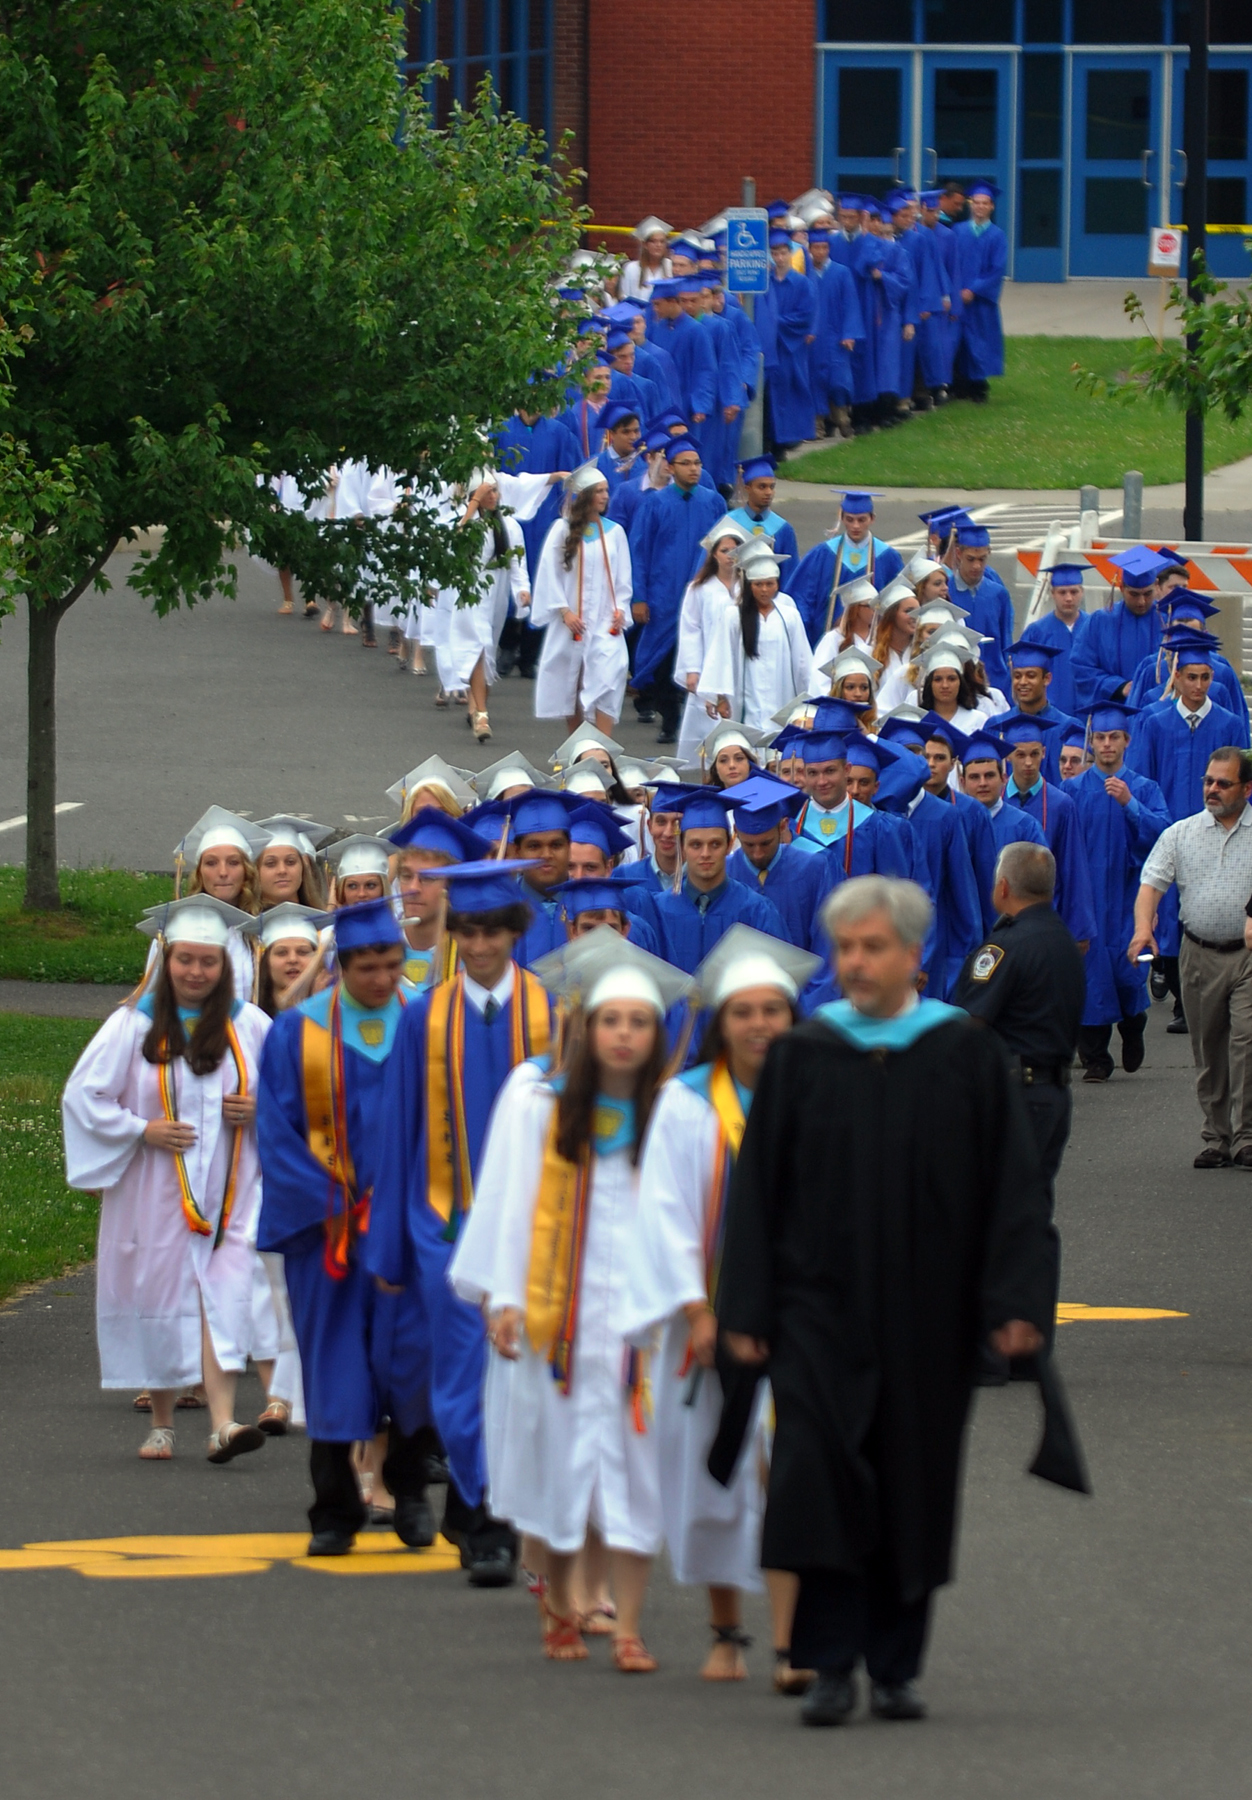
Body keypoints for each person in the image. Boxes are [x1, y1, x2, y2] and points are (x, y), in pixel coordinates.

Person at [716, 876, 1055, 1726]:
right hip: (815, 1315)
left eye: (872, 948)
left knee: (914, 1481)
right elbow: (759, 1193)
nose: (856, 964)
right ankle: (829, 1662)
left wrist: (1015, 1300)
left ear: (914, 953)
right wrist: (747, 1313)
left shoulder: (963, 1052)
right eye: (845, 949)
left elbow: (1012, 1189)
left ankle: (897, 1663)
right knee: (818, 1483)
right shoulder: (806, 1052)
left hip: (929, 1317)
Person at [449, 932, 692, 1670]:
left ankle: (617, 1616)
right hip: (556, 1314)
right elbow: (505, 1202)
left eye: (638, 1022)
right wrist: (500, 1295)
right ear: (585, 1029)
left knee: (625, 1460)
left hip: (638, 1322)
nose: (622, 1035)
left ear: (657, 1034)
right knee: (564, 1457)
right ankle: (563, 1595)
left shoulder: (674, 1111)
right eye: (609, 1021)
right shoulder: (537, 1104)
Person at [623, 927, 820, 1682]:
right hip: (706, 1323)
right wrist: (696, 1313)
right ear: (719, 1020)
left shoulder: (816, 1090)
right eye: (744, 1011)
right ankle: (726, 1630)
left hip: (799, 1320)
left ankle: (792, 1642)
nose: (761, 1024)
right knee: (716, 1477)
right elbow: (665, 1213)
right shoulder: (682, 1104)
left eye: (774, 1009)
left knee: (788, 1475)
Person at [364, 862, 554, 1579]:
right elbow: (398, 1131)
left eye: (494, 932)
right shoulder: (424, 1016)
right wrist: (389, 1244)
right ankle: (481, 1517)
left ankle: (492, 1517)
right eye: (468, 931)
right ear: (454, 933)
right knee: (459, 1374)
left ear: (515, 933)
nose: (480, 946)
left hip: (530, 1225)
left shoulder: (552, 1013)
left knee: (514, 1373)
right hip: (439, 1220)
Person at [63, 896, 271, 1464]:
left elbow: (293, 1095)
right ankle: (161, 1422)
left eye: (208, 961)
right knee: (157, 1294)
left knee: (221, 1298)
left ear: (224, 966)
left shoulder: (249, 1024)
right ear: (165, 958)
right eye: (185, 959)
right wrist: (140, 1129)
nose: (196, 972)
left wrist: (260, 1112)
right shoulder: (131, 1024)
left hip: (232, 1187)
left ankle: (223, 1424)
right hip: (154, 1191)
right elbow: (84, 1096)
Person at [952, 843, 1084, 1354]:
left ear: (1002, 887)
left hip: (1011, 1096)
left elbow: (971, 1020)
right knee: (1031, 1219)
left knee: (990, 1218)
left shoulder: (1004, 947)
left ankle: (990, 1350)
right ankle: (1031, 1343)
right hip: (1051, 1093)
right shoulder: (1060, 940)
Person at [1130, 747, 1252, 1168]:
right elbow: (1151, 884)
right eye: (1208, 781)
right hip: (1198, 954)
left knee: (1247, 1042)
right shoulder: (1180, 833)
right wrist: (1143, 927)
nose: (1212, 789)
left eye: (1223, 783)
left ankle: (1246, 1136)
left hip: (1248, 957)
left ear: (1247, 789)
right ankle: (1217, 1137)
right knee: (1209, 1049)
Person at [1125, 630, 1250, 1032]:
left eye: (1205, 677)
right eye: (1190, 677)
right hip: (1170, 828)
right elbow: (1143, 780)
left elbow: (1245, 781)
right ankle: (1172, 977)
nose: (1198, 685)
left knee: (1207, 903)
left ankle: (1185, 1003)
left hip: (1221, 830)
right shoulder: (1155, 723)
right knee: (1167, 906)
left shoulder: (1229, 724)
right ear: (1175, 677)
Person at [1068, 704, 1171, 1082]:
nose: (1107, 744)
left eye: (1114, 737)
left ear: (1127, 741)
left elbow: (1163, 838)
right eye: (1100, 737)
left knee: (1128, 974)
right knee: (1090, 977)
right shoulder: (1073, 790)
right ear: (1091, 742)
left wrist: (1130, 803)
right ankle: (1095, 1058)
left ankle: (1133, 1025)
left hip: (1128, 897)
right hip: (1087, 899)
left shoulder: (1144, 788)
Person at [629, 437, 726, 744]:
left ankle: (688, 715)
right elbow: (639, 552)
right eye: (686, 464)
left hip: (702, 591)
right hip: (664, 595)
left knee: (698, 656)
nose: (694, 469)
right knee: (663, 659)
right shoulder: (655, 504)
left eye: (697, 463)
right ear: (670, 468)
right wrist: (639, 596)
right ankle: (669, 717)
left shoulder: (713, 502)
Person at [531, 463, 631, 734]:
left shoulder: (615, 532)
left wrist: (621, 609)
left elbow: (623, 580)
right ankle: (577, 746)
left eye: (606, 490)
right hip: (572, 621)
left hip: (604, 620)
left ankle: (602, 749)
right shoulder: (561, 530)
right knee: (571, 679)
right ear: (585, 495)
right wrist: (564, 611)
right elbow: (548, 574)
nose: (605, 496)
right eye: (598, 491)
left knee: (608, 675)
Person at [432, 473, 529, 743]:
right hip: (469, 588)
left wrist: (523, 590)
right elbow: (453, 547)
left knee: (489, 646)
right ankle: (482, 714)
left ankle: (476, 706)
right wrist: (472, 506)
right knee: (479, 643)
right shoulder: (463, 522)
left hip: (495, 588)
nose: (493, 496)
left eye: (495, 491)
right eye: (487, 492)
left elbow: (516, 562)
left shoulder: (508, 525)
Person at [648, 786, 787, 973]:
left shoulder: (757, 910)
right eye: (696, 845)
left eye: (715, 844)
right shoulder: (657, 910)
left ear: (729, 845)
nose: (705, 854)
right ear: (682, 846)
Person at [998, 712, 1098, 951]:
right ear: (1008, 756)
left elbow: (1072, 868)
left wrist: (1078, 930)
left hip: (1046, 919)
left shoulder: (1060, 804)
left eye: (1034, 754)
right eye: (1020, 755)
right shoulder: (996, 801)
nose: (1029, 763)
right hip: (1000, 919)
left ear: (1044, 752)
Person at [698, 543, 813, 735]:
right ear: (749, 585)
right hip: (747, 695)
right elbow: (721, 655)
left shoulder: (789, 616)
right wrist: (720, 697)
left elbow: (802, 660)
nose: (764, 590)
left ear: (777, 584)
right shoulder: (734, 615)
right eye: (758, 584)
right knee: (750, 737)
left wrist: (809, 699)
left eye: (770, 584)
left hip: (781, 693)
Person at [725, 774, 836, 951]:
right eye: (749, 844)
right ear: (736, 831)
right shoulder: (725, 872)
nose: (758, 853)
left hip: (803, 978)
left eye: (766, 843)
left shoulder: (813, 868)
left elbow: (826, 940)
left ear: (783, 826)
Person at [675, 517, 751, 763]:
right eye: (724, 550)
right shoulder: (700, 589)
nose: (730, 556)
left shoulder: (749, 588)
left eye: (735, 550)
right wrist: (692, 670)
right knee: (707, 732)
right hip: (710, 665)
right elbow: (690, 630)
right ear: (714, 554)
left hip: (741, 666)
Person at [788, 491, 904, 646]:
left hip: (872, 642)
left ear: (872, 519)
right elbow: (802, 597)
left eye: (861, 520)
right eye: (850, 520)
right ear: (841, 518)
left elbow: (897, 602)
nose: (855, 526)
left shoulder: (887, 557)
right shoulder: (823, 553)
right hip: (827, 640)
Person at [1072, 547, 1167, 709]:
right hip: (1114, 714)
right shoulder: (1101, 621)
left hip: (1159, 712)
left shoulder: (1168, 620)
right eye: (1134, 594)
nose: (1141, 602)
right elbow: (1081, 667)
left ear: (1157, 586)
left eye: (1148, 594)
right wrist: (1118, 686)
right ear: (1122, 588)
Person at [757, 230, 816, 451]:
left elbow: (805, 315)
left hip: (790, 347)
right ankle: (771, 439)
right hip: (769, 345)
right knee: (770, 392)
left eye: (783, 253)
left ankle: (789, 437)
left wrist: (775, 322)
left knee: (791, 389)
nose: (779, 258)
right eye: (775, 253)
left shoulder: (801, 283)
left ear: (790, 253)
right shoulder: (765, 283)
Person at [951, 180, 1006, 403]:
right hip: (958, 297)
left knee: (980, 341)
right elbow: (950, 263)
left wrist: (973, 290)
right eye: (976, 202)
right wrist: (956, 291)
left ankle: (979, 387)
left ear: (991, 206)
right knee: (959, 340)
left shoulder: (997, 236)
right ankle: (960, 384)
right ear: (970, 204)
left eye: (985, 203)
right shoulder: (958, 231)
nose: (980, 207)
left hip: (980, 301)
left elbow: (997, 269)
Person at [946, 522, 1012, 694]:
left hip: (993, 677)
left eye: (982, 559)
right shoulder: (946, 591)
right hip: (956, 678)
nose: (977, 566)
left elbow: (1006, 640)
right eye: (971, 559)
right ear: (959, 553)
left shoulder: (998, 594)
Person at [1019, 563, 1091, 717]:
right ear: (1053, 593)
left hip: (1089, 713)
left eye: (1074, 592)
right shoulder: (1037, 632)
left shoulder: (1094, 627)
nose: (1069, 598)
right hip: (1050, 716)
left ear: (1082, 592)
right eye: (1062, 592)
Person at [1004, 640, 1077, 786]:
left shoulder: (1069, 727)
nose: (1023, 682)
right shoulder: (998, 725)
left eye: (1031, 675)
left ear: (1047, 679)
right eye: (1017, 676)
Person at [726, 455, 800, 564]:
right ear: (748, 489)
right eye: (762, 487)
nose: (768, 492)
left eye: (772, 487)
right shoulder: (729, 523)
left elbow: (790, 573)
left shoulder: (783, 529)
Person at [254, 817, 331, 913]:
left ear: (302, 868)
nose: (282, 870)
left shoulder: (323, 924)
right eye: (271, 864)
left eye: (290, 862)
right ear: (255, 870)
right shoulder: (239, 926)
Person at [620, 216, 673, 302]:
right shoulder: (631, 268)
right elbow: (625, 297)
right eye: (653, 241)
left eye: (662, 241)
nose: (658, 245)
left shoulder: (671, 266)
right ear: (645, 245)